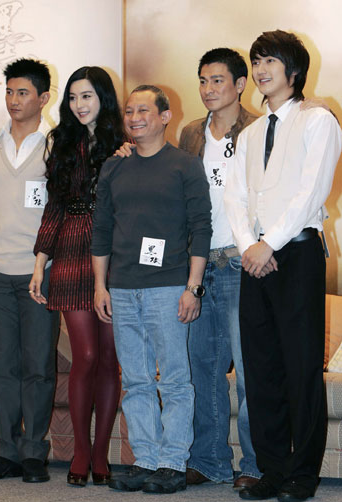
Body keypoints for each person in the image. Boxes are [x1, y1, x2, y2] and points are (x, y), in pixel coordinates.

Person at [224, 30, 342, 502]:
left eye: (269, 60)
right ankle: (271, 470)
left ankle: (301, 475)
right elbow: (234, 197)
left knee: (300, 366)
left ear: (293, 69)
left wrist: (268, 243)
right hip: (254, 261)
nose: (260, 69)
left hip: (296, 255)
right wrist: (249, 246)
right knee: (261, 369)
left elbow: (311, 191)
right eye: (256, 61)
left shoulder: (318, 120)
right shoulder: (251, 132)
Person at [91, 85, 212, 494]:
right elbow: (102, 230)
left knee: (175, 379)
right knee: (137, 380)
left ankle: (172, 463)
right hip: (122, 287)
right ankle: (145, 459)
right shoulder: (114, 167)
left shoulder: (184, 165)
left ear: (165, 116)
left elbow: (201, 228)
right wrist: (99, 286)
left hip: (168, 286)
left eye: (144, 109)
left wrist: (192, 288)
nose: (135, 116)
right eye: (129, 110)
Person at [29, 66, 123, 487]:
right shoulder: (62, 143)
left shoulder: (125, 142)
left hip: (115, 256)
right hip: (68, 252)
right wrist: (39, 264)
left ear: (103, 97)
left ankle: (101, 452)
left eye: (86, 96)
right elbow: (54, 207)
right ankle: (80, 453)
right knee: (84, 356)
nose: (79, 105)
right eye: (72, 98)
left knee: (110, 360)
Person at [0, 59, 60, 482]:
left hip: (40, 273)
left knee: (38, 363)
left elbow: (62, 211)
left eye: (23, 93)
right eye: (9, 92)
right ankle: (6, 451)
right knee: (1, 364)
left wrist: (52, 262)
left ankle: (34, 452)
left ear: (44, 98)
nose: (13, 100)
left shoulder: (57, 146)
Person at [179, 48, 261, 490]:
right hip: (200, 265)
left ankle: (254, 464)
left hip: (241, 261)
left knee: (249, 370)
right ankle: (209, 460)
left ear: (240, 83)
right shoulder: (191, 133)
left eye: (218, 80)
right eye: (203, 81)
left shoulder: (258, 128)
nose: (209, 89)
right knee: (202, 369)